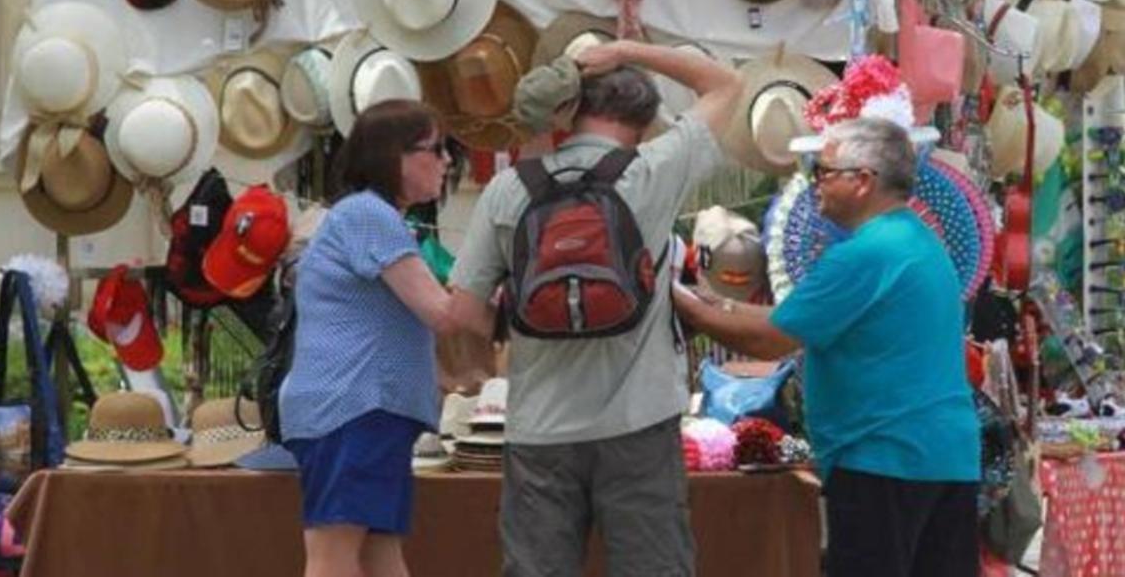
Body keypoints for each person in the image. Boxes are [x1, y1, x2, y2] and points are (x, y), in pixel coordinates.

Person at [448, 40, 743, 576]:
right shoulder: (652, 172)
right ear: (643, 116)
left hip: (539, 428)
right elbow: (725, 83)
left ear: (572, 110)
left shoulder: (507, 190)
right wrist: (627, 48)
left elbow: (463, 314)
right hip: (639, 422)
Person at [672, 117, 981, 577]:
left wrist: (682, 305)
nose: (814, 182)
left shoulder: (865, 253)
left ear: (862, 181)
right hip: (941, 456)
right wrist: (717, 304)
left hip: (885, 457)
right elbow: (790, 319)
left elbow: (772, 340)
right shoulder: (913, 239)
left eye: (823, 170)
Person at [278, 99, 492, 577]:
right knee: (334, 554)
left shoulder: (365, 215)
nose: (447, 162)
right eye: (435, 149)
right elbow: (442, 313)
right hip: (354, 407)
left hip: (363, 410)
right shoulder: (368, 215)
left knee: (378, 552)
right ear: (392, 155)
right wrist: (497, 273)